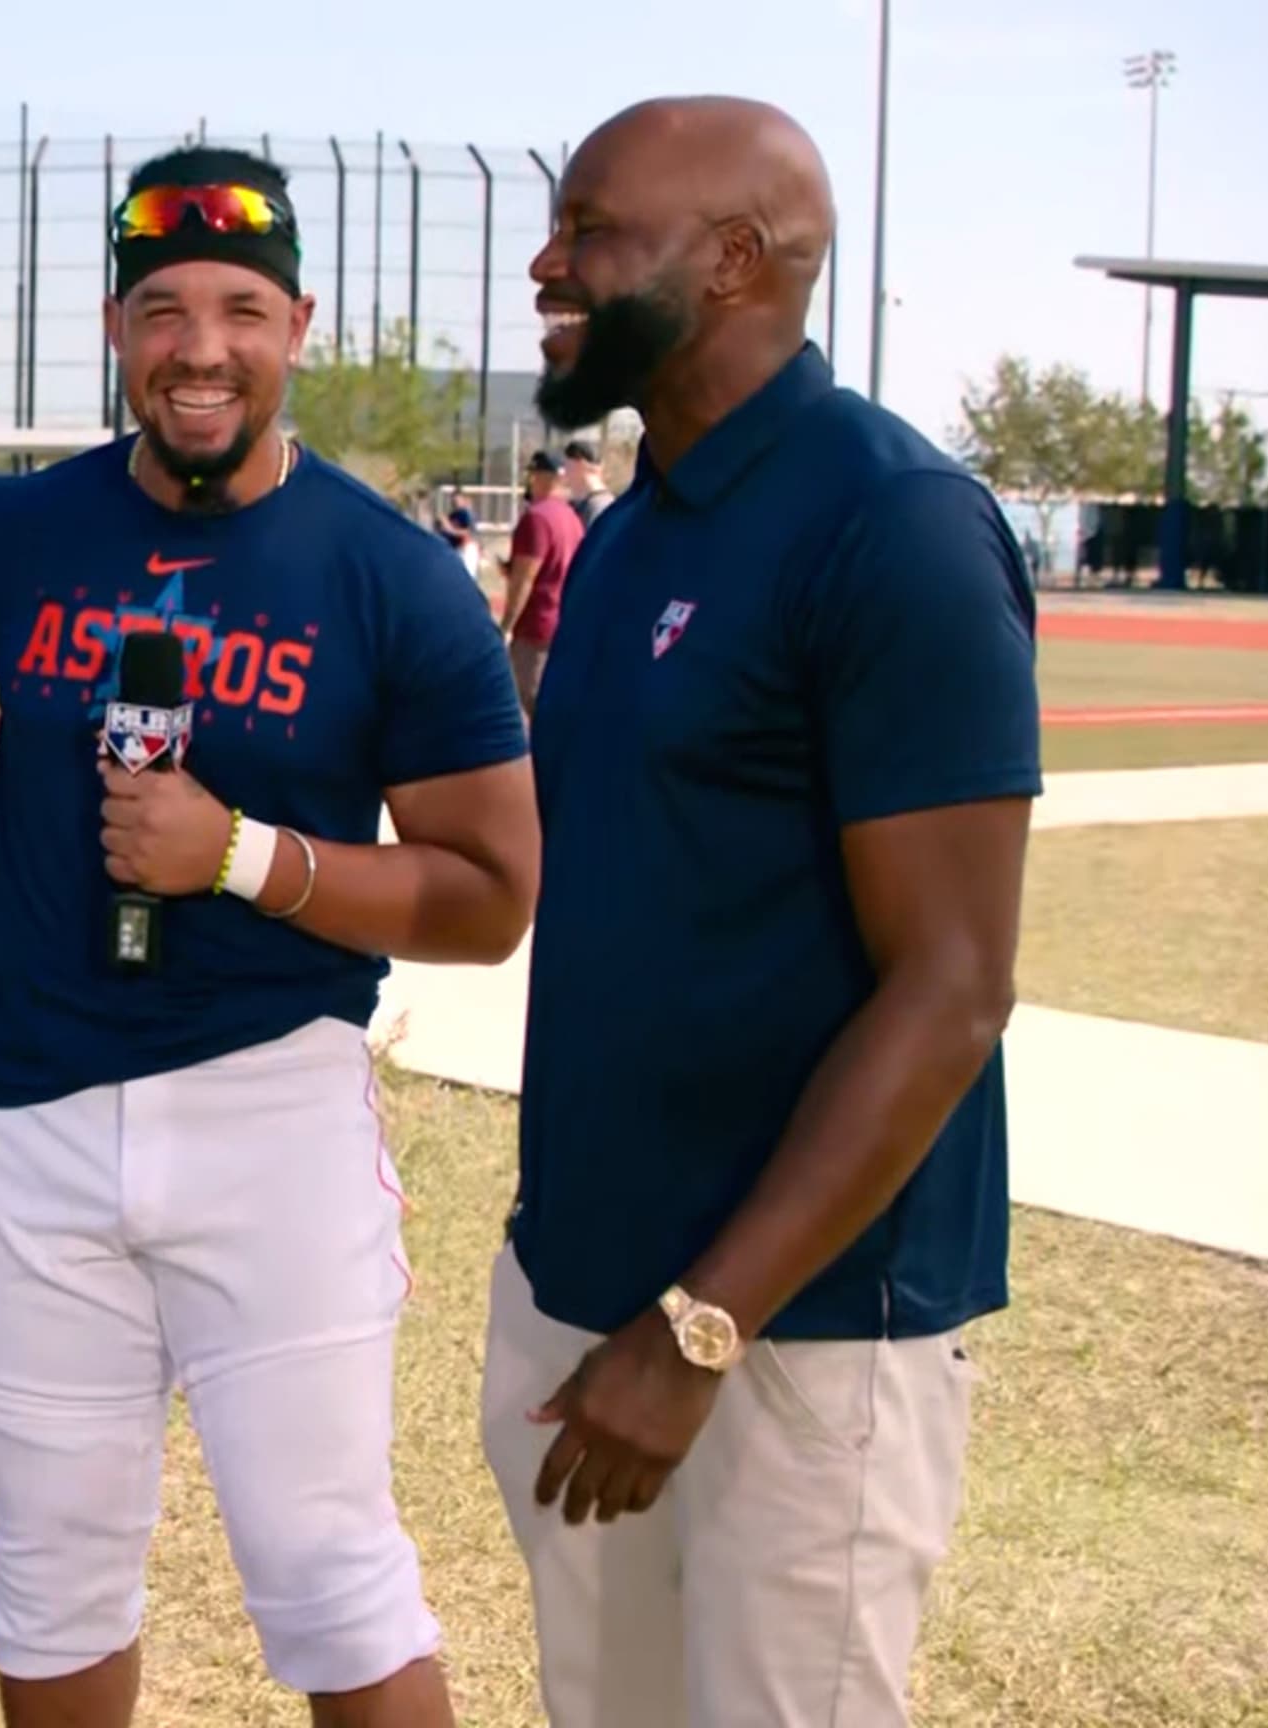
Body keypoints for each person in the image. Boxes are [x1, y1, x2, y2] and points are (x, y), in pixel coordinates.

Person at [0, 147, 539, 1728]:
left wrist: (245, 856)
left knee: (329, 1570)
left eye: (238, 308)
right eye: (162, 310)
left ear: (300, 323)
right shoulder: (17, 532)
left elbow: (490, 894)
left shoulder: (390, 575)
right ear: (113, 327)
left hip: (267, 1110)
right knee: (53, 1569)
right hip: (33, 1113)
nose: (199, 348)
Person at [491, 96, 1039, 1727]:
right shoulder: (635, 528)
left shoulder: (892, 525)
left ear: (732, 260)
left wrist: (700, 1323)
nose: (547, 261)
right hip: (579, 1300)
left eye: (589, 227)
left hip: (789, 1346)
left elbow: (950, 986)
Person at [501, 449, 584, 717]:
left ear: (538, 477)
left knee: (532, 700)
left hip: (536, 627)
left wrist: (506, 627)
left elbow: (526, 578)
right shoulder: (571, 517)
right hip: (565, 621)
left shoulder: (536, 517)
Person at [562, 438, 614, 526]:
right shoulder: (587, 502)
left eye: (567, 465)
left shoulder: (598, 507)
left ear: (580, 464)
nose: (564, 472)